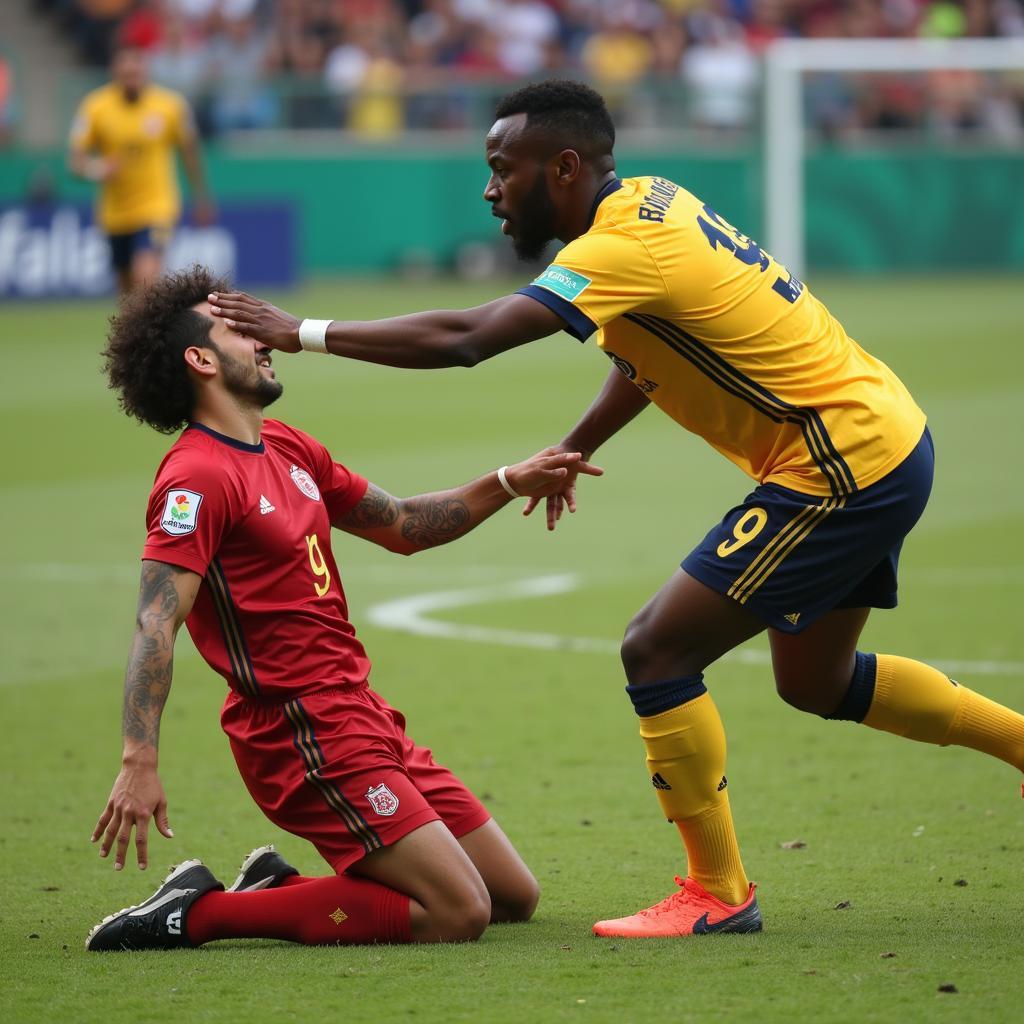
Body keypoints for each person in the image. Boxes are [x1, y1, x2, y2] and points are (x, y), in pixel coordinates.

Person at [207, 79, 1024, 940]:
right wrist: (579, 446)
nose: (489, 190)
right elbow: (647, 346)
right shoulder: (649, 205)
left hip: (839, 459)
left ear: (563, 167)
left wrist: (302, 331)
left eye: (501, 169)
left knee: (656, 648)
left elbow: (467, 340)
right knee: (814, 681)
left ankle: (719, 893)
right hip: (885, 436)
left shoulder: (621, 246)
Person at [86, 265, 601, 952]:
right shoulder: (196, 477)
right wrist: (137, 760)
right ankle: (198, 913)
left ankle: (278, 888)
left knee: (511, 896)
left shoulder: (289, 446)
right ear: (200, 358)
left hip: (360, 713)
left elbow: (406, 525)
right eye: (238, 331)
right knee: (457, 914)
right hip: (300, 730)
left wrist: (509, 480)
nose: (262, 340)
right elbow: (158, 620)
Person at [68, 44, 214, 295]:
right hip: (115, 213)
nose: (131, 78)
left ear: (145, 71)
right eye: (125, 73)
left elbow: (190, 152)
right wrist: (98, 169)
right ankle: (139, 334)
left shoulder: (170, 106)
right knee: (126, 292)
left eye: (135, 71)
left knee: (145, 278)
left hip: (156, 206)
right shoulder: (95, 107)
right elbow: (75, 162)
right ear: (115, 72)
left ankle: (158, 333)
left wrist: (201, 196)